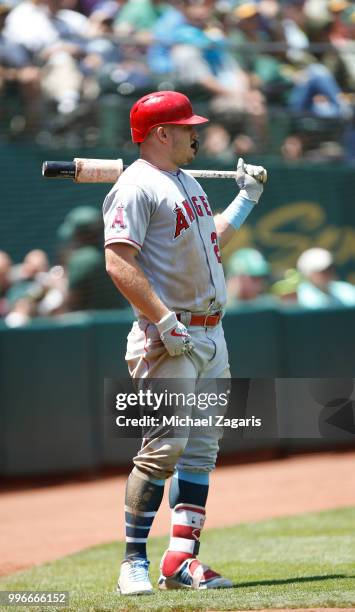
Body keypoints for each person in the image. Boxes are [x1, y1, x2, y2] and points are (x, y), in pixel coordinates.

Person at [103, 90, 267, 594]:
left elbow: (209, 239)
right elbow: (118, 261)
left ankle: (181, 560)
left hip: (211, 332)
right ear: (161, 133)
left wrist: (245, 200)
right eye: (187, 126)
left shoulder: (187, 180)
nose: (197, 133)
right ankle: (133, 561)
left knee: (201, 450)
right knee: (163, 449)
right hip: (166, 338)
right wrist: (164, 320)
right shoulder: (134, 187)